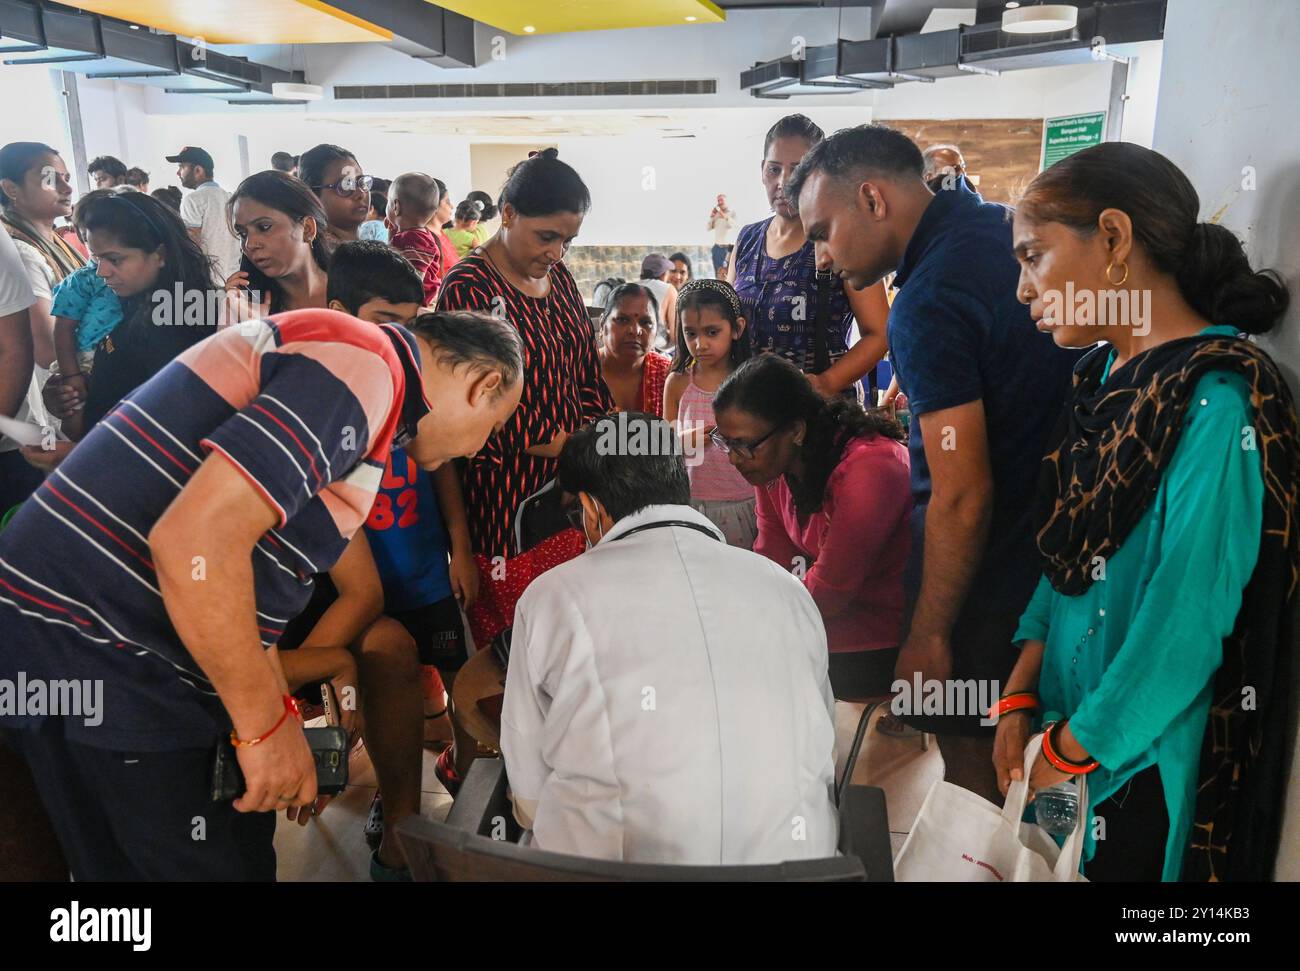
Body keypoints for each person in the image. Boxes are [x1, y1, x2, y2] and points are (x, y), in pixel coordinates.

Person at [0, 297, 524, 881]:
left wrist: (270, 715)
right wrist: (265, 730)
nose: (479, 448)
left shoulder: (359, 374)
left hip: (92, 647)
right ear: (485, 382)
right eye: (494, 428)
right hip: (110, 652)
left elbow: (244, 572)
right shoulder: (366, 365)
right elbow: (196, 542)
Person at [993, 143, 1296, 882]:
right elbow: (1065, 552)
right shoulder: (1100, 377)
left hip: (1135, 763)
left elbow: (1183, 625)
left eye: (1034, 257)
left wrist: (1070, 749)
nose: (1024, 290)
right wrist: (1021, 691)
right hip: (1065, 736)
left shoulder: (1217, 402)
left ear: (1115, 238)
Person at [787, 123, 1079, 801]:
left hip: (990, 576)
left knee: (976, 771)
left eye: (824, 231)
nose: (823, 258)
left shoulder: (926, 299)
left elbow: (960, 493)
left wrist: (929, 633)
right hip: (1056, 562)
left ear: (873, 199)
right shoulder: (999, 231)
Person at [500, 413, 838, 864]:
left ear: (593, 509)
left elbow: (528, 801)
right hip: (795, 872)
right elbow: (822, 750)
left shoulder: (551, 597)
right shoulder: (787, 589)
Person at [436, 148, 613, 559]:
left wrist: (596, 448)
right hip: (505, 492)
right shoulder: (470, 287)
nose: (556, 253)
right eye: (547, 237)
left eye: (567, 241)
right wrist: (570, 448)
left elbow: (587, 374)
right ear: (509, 214)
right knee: (519, 616)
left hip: (577, 483)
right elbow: (475, 403)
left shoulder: (561, 279)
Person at [715, 354, 911, 698]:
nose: (732, 458)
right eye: (726, 442)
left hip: (885, 633)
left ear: (796, 430)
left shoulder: (870, 469)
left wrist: (755, 623)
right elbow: (771, 562)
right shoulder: (772, 467)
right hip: (826, 614)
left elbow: (830, 593)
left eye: (742, 445)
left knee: (739, 667)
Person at [37, 191, 219, 462]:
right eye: (97, 259)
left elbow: (172, 430)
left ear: (160, 254)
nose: (102, 272)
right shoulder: (130, 301)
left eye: (115, 259)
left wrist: (78, 456)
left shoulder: (181, 318)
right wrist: (77, 392)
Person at [728, 114, 892, 400]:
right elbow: (728, 322)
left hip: (822, 412)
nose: (784, 181)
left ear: (818, 173)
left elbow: (880, 333)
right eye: (774, 169)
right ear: (762, 170)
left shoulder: (840, 237)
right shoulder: (747, 240)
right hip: (752, 409)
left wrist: (826, 382)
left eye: (798, 169)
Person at [663, 279, 757, 548]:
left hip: (744, 502)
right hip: (689, 504)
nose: (700, 344)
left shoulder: (749, 380)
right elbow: (663, 444)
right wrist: (681, 441)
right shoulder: (679, 382)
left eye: (712, 332)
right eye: (690, 333)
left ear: (737, 328)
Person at [0, 142, 84, 440]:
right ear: (11, 188)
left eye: (66, 178)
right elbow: (47, 347)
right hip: (47, 413)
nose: (66, 188)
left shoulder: (52, 240)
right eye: (50, 179)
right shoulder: (21, 252)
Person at [223, 169, 331, 319]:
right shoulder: (246, 305)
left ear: (307, 229)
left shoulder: (357, 290)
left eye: (264, 227)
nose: (249, 244)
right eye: (242, 233)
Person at [596, 282, 670, 417]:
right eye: (622, 320)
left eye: (646, 322)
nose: (635, 331)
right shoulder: (579, 371)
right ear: (602, 325)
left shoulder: (667, 375)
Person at [169, 146, 241, 282]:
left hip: (207, 281)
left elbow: (192, 244)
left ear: (198, 170)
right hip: (234, 280)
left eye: (182, 167)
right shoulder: (231, 198)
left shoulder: (193, 199)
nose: (178, 173)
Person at [387, 173, 443, 306]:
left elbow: (415, 278)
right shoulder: (413, 235)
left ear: (396, 206)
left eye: (388, 202)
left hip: (415, 303)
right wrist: (392, 230)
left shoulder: (415, 239)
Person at [299, 143, 372, 245]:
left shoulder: (364, 249)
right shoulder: (319, 255)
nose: (361, 194)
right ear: (313, 196)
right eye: (345, 186)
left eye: (362, 182)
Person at [638, 252, 678, 352]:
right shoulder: (669, 289)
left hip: (633, 347)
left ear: (643, 270)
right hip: (657, 348)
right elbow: (675, 333)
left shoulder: (630, 287)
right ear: (663, 274)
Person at [707, 193, 734, 276]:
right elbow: (708, 228)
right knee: (717, 275)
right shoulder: (716, 215)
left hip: (727, 249)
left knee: (728, 274)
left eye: (721, 200)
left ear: (726, 201)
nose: (720, 202)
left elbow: (732, 225)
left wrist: (722, 214)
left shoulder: (731, 213)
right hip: (716, 248)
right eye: (718, 200)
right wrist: (712, 217)